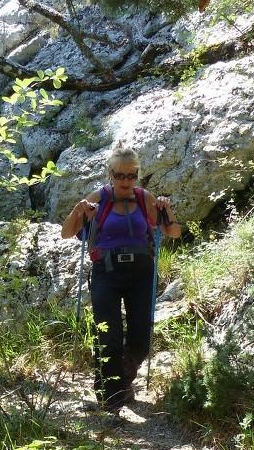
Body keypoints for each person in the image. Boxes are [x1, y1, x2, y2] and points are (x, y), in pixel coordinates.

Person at [60, 144, 182, 422]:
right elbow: (68, 233)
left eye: (132, 176)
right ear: (110, 174)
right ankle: (110, 400)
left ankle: (124, 383)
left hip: (141, 273)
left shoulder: (144, 198)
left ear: (137, 175)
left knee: (141, 337)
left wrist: (166, 210)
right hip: (106, 272)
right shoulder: (97, 198)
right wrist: (78, 212)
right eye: (120, 175)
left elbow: (172, 232)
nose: (126, 181)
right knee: (109, 335)